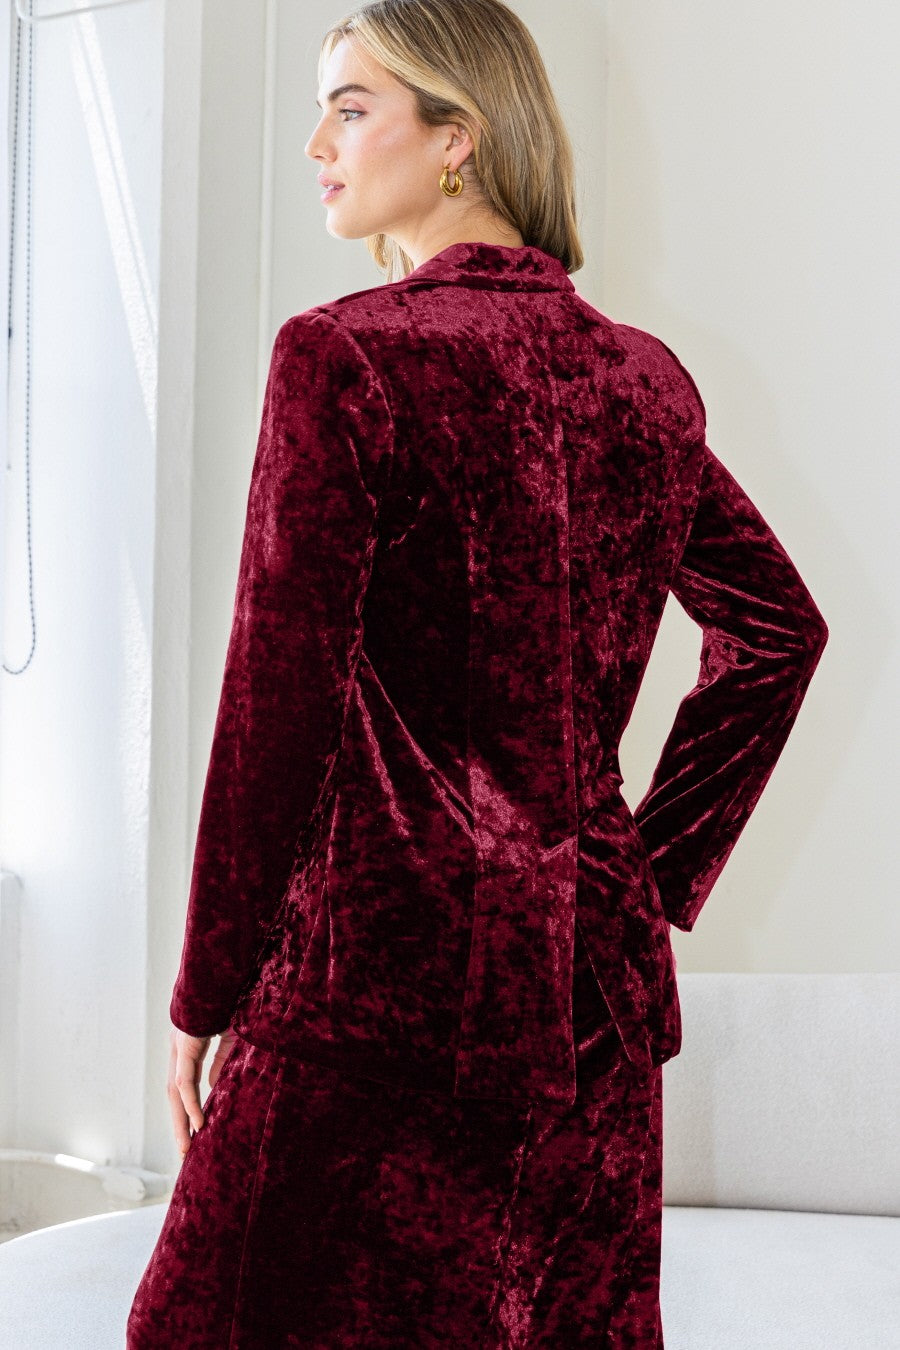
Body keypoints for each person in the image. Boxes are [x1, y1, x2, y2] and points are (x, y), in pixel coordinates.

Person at [126, 1, 828, 1345]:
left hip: (370, 1003)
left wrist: (206, 989)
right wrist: (636, 874)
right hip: (591, 1012)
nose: (318, 145)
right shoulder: (645, 382)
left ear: (459, 137)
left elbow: (275, 711)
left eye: (351, 108)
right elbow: (779, 634)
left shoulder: (343, 358)